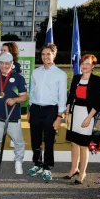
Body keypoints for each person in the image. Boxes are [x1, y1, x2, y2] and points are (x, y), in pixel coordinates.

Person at [0, 52, 27, 174]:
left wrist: (15, 100)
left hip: (13, 118)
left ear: (12, 64)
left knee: (18, 142)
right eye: (1, 63)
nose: (4, 66)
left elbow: (24, 97)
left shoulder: (18, 78)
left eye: (7, 63)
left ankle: (18, 162)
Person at [27, 43, 67, 181]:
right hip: (35, 109)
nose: (45, 57)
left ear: (54, 55)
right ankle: (37, 164)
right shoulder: (36, 72)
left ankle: (47, 167)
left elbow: (63, 97)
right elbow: (32, 92)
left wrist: (59, 117)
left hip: (51, 110)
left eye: (48, 54)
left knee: (49, 140)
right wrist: (30, 109)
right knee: (35, 139)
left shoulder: (60, 74)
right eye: (43, 54)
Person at [64, 54, 100, 184]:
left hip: (87, 115)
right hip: (74, 114)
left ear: (93, 66)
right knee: (74, 143)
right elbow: (70, 97)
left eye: (88, 63)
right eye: (82, 63)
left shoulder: (97, 80)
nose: (84, 66)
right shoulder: (76, 78)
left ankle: (82, 173)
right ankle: (73, 169)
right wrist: (67, 114)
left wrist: (89, 118)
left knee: (83, 145)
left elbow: (98, 103)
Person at [0, 42, 22, 148]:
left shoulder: (16, 65)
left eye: (5, 50)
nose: (2, 52)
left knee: (13, 119)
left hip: (13, 96)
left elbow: (18, 84)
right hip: (1, 96)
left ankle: (14, 138)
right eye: (1, 50)